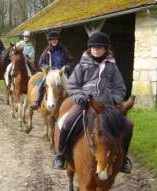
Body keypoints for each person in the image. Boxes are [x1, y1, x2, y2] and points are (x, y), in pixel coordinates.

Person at [53, 31, 133, 174]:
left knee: (128, 125)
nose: (96, 49)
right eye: (93, 47)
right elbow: (72, 85)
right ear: (89, 49)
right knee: (67, 122)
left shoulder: (112, 67)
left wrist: (115, 99)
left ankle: (124, 159)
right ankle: (61, 155)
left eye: (100, 47)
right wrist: (80, 98)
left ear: (105, 49)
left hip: (107, 106)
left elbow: (120, 87)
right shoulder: (82, 65)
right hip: (85, 102)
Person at [30, 31, 73, 110]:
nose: (54, 41)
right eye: (52, 40)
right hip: (51, 73)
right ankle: (37, 101)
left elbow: (70, 61)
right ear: (49, 41)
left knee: (71, 86)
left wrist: (66, 67)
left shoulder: (63, 50)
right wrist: (48, 67)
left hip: (61, 73)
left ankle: (74, 103)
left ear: (58, 40)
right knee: (41, 83)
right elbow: (41, 63)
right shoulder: (47, 51)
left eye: (55, 39)